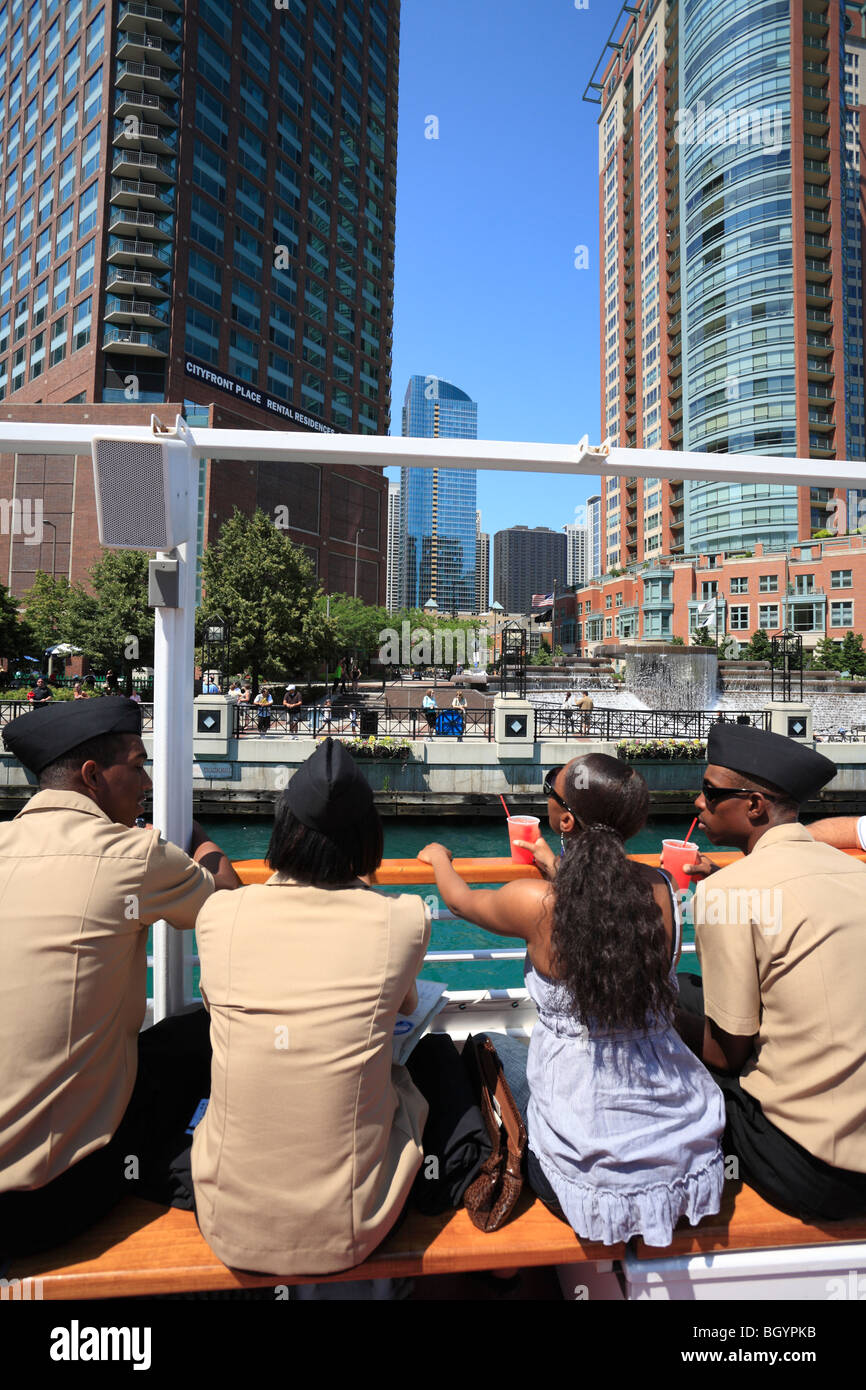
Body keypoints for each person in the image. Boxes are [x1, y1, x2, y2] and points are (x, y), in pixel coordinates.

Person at [419, 754, 725, 1248]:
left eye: (550, 790)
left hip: (585, 1186)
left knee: (487, 1044)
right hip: (687, 1164)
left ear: (565, 819)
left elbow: (459, 901)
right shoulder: (662, 889)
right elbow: (603, 904)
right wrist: (551, 862)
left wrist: (438, 859)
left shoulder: (536, 904)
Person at [0, 697, 240, 1256]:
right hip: (42, 1203)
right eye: (136, 765)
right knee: (207, 1030)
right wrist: (199, 839)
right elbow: (233, 912)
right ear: (92, 776)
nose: (148, 780)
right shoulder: (131, 855)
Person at [191, 738, 430, 1275]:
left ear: (283, 830)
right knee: (425, 1065)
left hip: (225, 1219)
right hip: (350, 1226)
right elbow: (407, 1004)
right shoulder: (405, 918)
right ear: (369, 839)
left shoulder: (219, 917)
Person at [675, 723, 866, 1221]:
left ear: (755, 806)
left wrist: (654, 1018)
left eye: (711, 792)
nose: (698, 802)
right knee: (690, 991)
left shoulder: (725, 895)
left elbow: (725, 1055)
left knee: (665, 1043)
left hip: (816, 1173)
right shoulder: (857, 874)